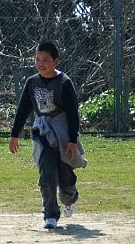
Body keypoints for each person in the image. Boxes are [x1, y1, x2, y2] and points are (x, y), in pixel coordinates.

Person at [8, 40, 88, 229]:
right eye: (37, 59)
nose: (41, 64)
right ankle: (50, 214)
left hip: (62, 131)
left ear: (56, 62)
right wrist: (14, 135)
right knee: (47, 172)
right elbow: (23, 110)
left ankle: (70, 197)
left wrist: (71, 140)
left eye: (46, 60)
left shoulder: (64, 83)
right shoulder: (32, 82)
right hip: (43, 131)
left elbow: (72, 113)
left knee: (64, 173)